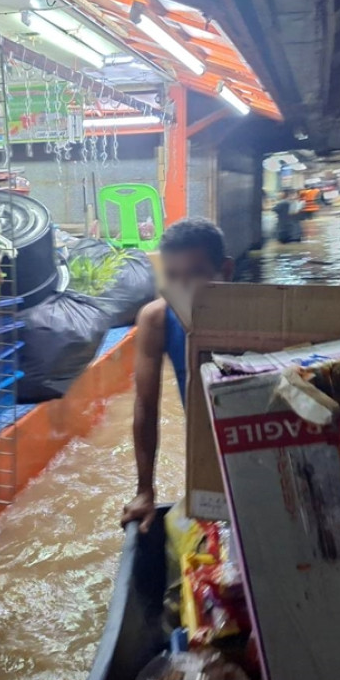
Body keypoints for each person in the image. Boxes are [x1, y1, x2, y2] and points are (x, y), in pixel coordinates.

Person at [121, 218, 233, 533]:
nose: (183, 290)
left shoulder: (257, 312)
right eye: (172, 277)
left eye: (196, 275)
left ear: (225, 271)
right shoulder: (157, 319)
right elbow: (145, 406)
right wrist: (145, 490)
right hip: (205, 453)